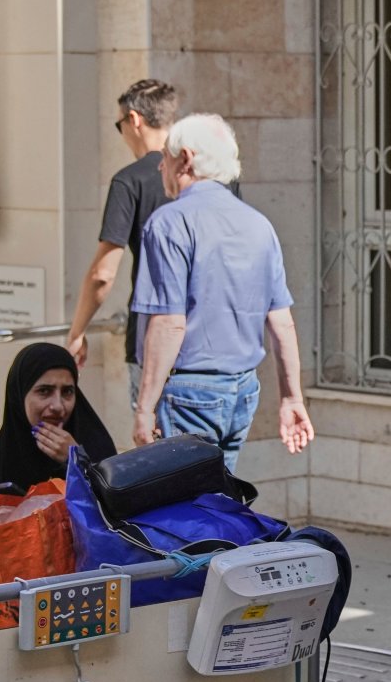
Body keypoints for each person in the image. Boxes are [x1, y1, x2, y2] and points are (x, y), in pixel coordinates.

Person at [129, 114, 312, 470]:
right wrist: (291, 397)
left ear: (185, 158)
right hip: (242, 391)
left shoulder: (169, 222)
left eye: (164, 159)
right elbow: (281, 322)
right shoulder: (258, 224)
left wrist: (144, 408)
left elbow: (168, 323)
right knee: (217, 506)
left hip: (188, 393)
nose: (160, 168)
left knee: (186, 513)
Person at [64, 79, 181, 386]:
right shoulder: (212, 175)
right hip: (214, 344)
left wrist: (77, 332)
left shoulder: (130, 181)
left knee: (158, 434)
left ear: (134, 120)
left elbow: (103, 273)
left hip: (153, 339)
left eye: (120, 126)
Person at [0, 342, 119, 530]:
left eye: (67, 392)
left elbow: (119, 520)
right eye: (44, 391)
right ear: (19, 396)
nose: (58, 406)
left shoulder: (97, 448)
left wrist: (78, 464)